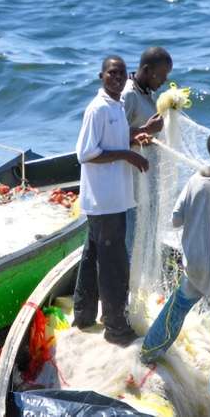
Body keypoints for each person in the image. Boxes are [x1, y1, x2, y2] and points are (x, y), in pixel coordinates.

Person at [139, 130, 210, 410]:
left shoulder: (195, 181)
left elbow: (176, 219)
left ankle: (149, 350)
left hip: (196, 267)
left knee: (176, 308)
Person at [74, 55, 149, 346]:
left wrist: (135, 137)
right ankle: (116, 328)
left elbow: (112, 141)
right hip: (105, 200)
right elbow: (86, 153)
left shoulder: (116, 105)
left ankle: (83, 315)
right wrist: (127, 155)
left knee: (93, 255)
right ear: (101, 76)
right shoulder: (98, 109)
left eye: (121, 74)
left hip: (113, 198)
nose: (116, 78)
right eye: (111, 73)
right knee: (113, 265)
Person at [121, 47, 173, 257]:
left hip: (147, 179)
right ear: (147, 70)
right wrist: (146, 130)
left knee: (145, 237)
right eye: (161, 75)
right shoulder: (128, 95)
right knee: (130, 239)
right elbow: (111, 137)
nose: (164, 80)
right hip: (131, 183)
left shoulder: (146, 92)